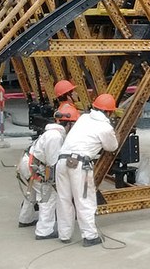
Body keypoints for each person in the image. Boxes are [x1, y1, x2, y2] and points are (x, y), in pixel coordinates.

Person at [55, 93, 118, 246]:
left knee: (63, 199)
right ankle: (90, 236)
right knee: (84, 200)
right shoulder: (105, 127)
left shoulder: (83, 118)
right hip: (79, 165)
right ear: (109, 112)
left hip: (61, 161)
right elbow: (112, 147)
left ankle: (64, 234)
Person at [30, 103, 80, 239]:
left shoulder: (53, 133)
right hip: (38, 168)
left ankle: (25, 219)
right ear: (69, 124)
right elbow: (53, 164)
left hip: (31, 164)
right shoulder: (55, 137)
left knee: (33, 196)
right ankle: (43, 231)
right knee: (48, 198)